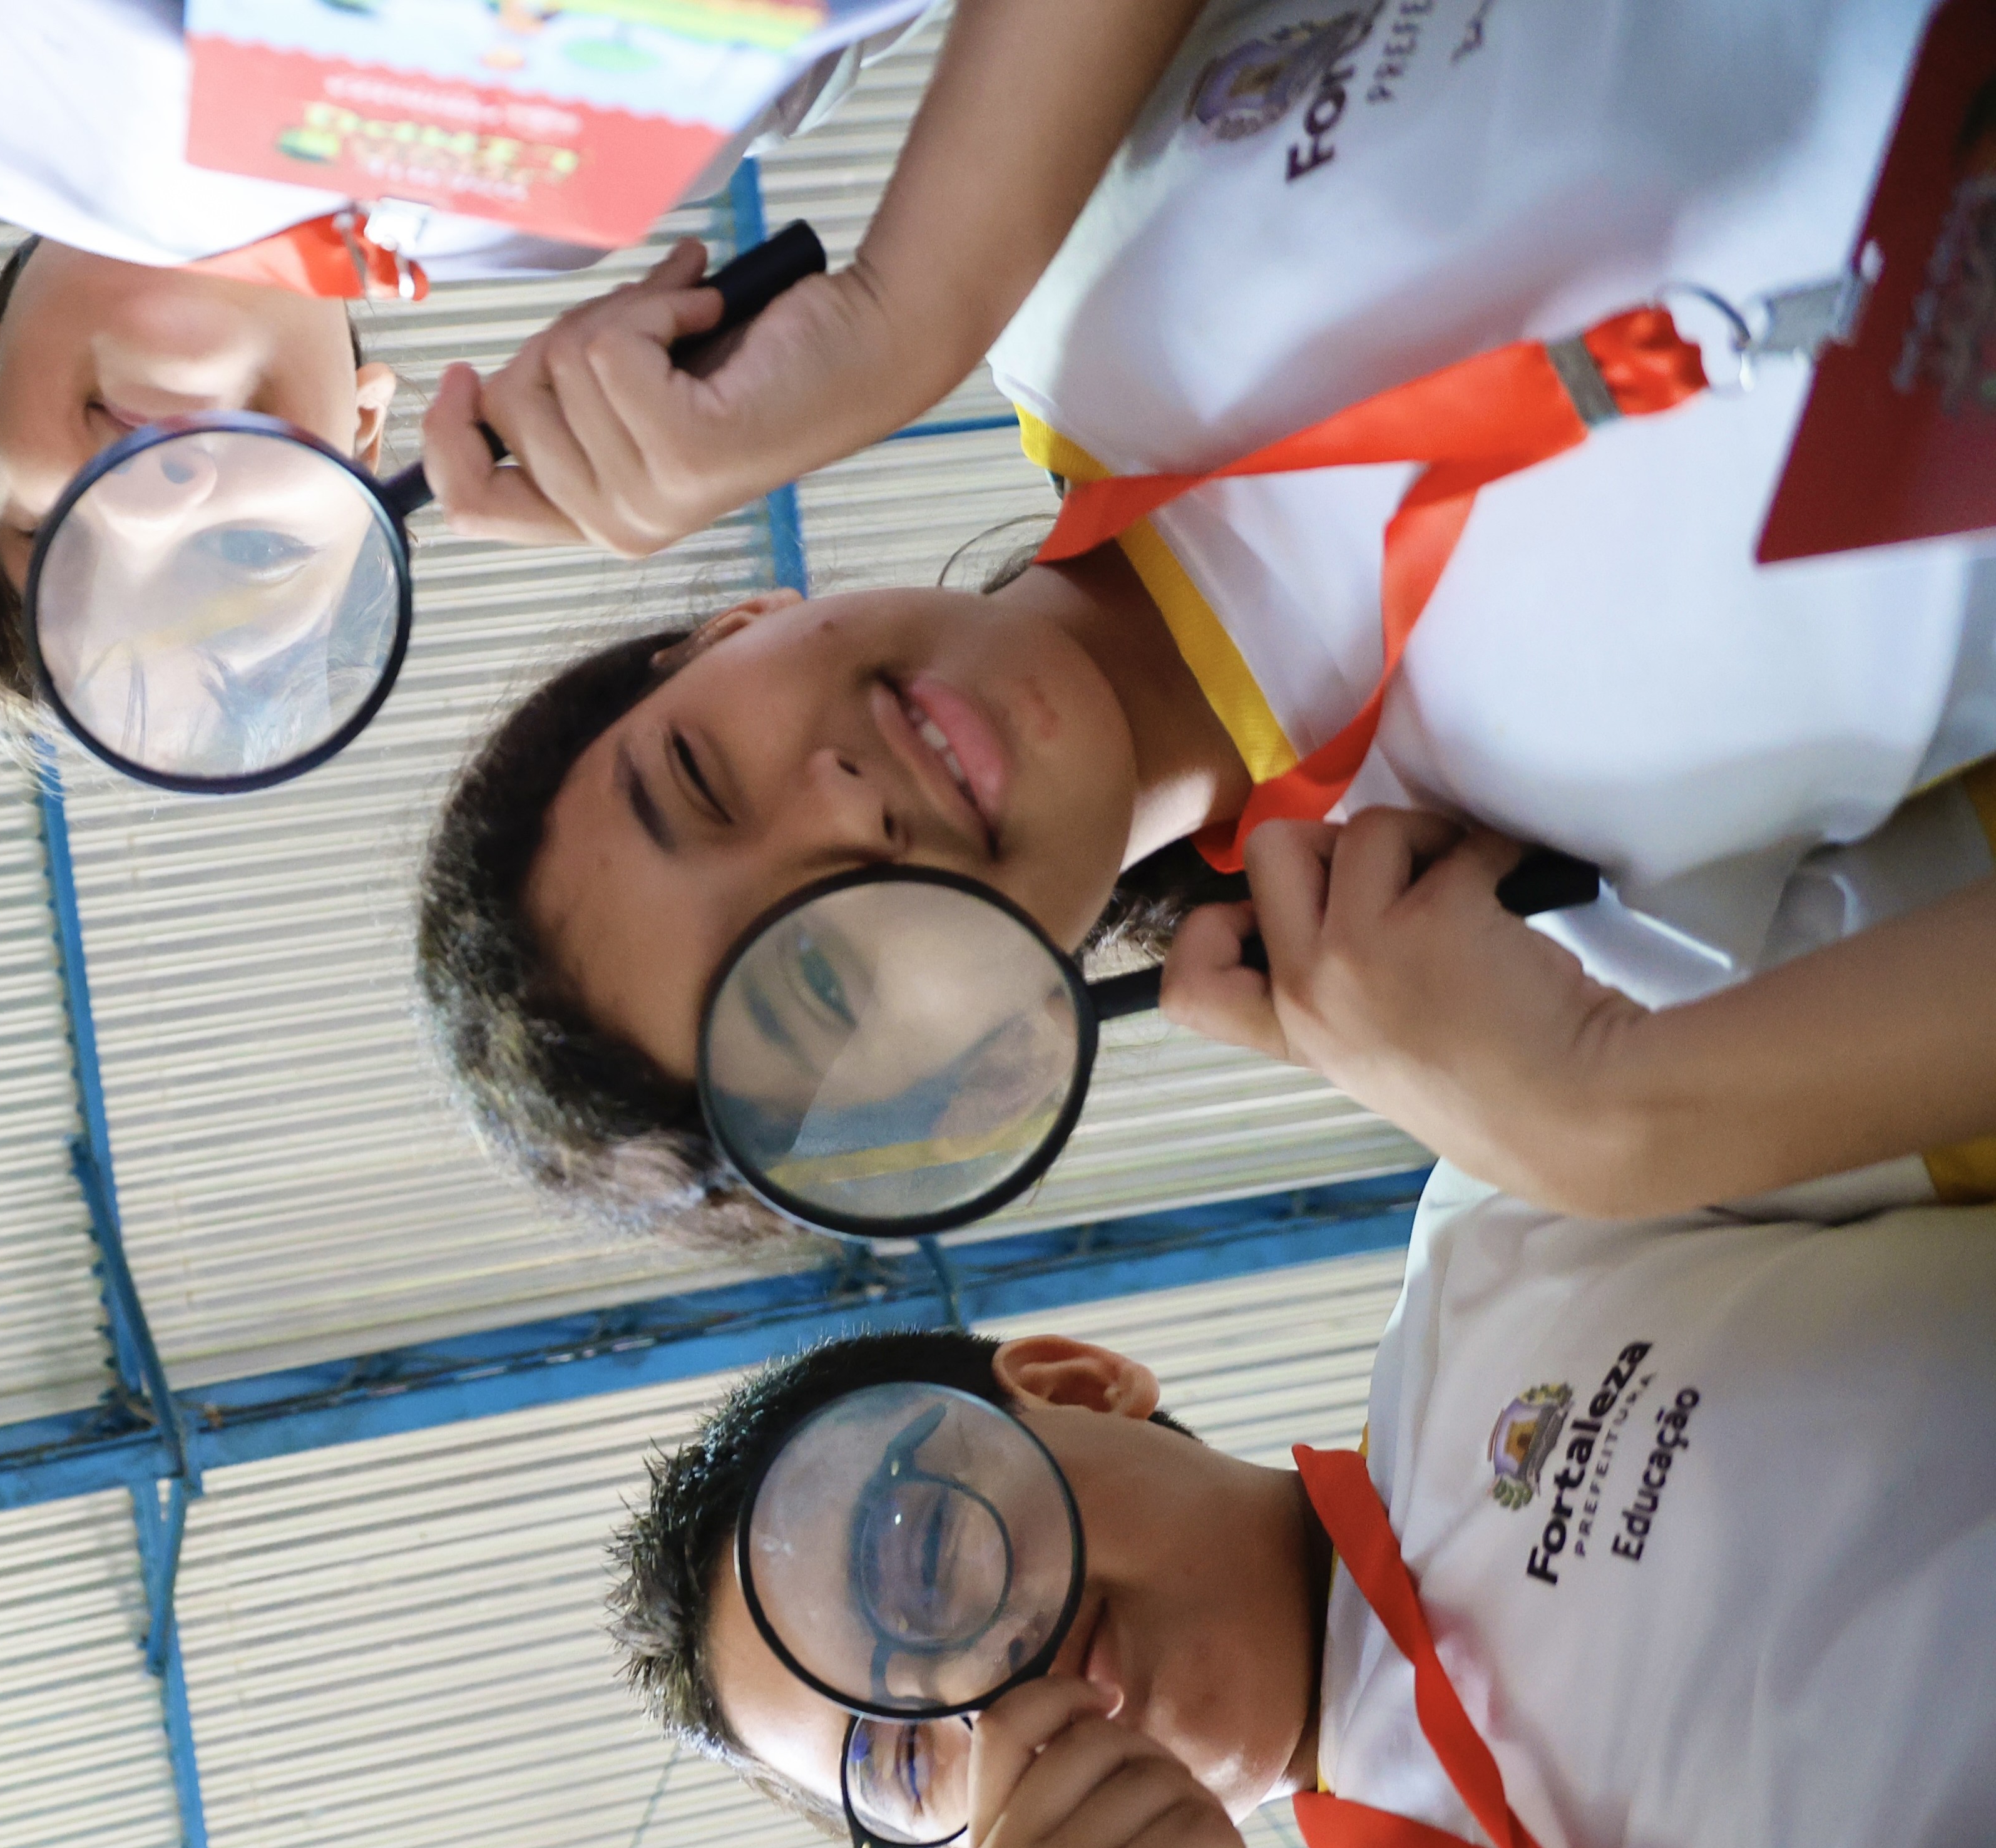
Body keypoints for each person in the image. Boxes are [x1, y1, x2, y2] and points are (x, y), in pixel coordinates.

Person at [416, 0, 1996, 1245]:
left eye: (702, 778)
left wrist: (895, 314)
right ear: (959, 1064)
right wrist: (1617, 1119)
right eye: (819, 980)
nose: (834, 812)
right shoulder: (1559, 975)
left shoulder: (1053, 245)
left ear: (737, 620)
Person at [607, 1196, 1996, 1848]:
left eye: (920, 1557)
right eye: (909, 1749)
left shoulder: (1529, 1211)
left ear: (1084, 1386)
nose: (983, 1685)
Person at [0, 0, 1232, 734]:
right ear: (366, 432)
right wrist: (899, 320)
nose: (167, 495)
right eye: (254, 549)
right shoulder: (574, 196)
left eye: (64, 548)